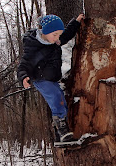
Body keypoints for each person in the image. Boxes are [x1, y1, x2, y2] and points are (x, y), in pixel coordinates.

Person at [17, 13, 84, 143]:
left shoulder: (54, 41)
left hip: (52, 79)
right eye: (55, 35)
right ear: (45, 32)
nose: (57, 38)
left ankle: (60, 135)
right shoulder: (33, 46)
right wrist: (23, 77)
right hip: (40, 79)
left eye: (58, 35)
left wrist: (76, 22)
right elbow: (24, 64)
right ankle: (61, 128)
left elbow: (67, 34)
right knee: (56, 98)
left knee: (61, 100)